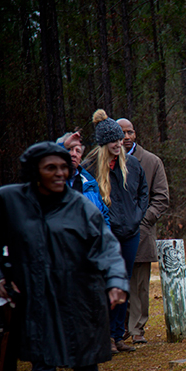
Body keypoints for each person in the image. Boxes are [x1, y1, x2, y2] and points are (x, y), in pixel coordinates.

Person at [0, 142, 129, 371]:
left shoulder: (81, 207)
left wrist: (116, 282)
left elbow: (107, 247)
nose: (60, 173)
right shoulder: (9, 201)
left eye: (64, 168)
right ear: (34, 171)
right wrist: (1, 276)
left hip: (82, 302)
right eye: (51, 168)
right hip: (37, 304)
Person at [83, 109, 148, 353]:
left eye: (121, 139)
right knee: (104, 284)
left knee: (124, 283)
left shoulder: (132, 164)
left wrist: (137, 215)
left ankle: (118, 335)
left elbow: (144, 192)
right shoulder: (89, 168)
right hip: (105, 236)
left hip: (130, 233)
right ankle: (104, 336)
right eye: (114, 140)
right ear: (103, 143)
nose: (119, 144)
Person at [116, 118, 170, 344]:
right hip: (113, 233)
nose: (126, 137)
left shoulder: (151, 161)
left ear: (135, 134)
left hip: (141, 232)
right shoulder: (104, 162)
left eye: (130, 132)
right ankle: (118, 330)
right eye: (121, 133)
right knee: (118, 282)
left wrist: (143, 221)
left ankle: (137, 328)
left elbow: (161, 197)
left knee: (139, 285)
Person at [56, 131, 110, 227]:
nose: (73, 154)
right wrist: (63, 146)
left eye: (78, 151)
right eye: (69, 149)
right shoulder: (53, 182)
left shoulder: (90, 183)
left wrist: (105, 238)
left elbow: (103, 216)